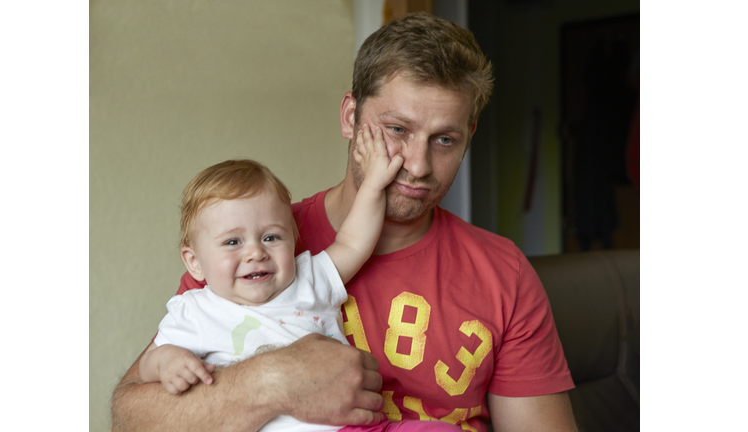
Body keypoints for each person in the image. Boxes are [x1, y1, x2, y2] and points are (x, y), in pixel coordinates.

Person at [112, 12, 578, 432]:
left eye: (444, 140)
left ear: (468, 137)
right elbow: (133, 419)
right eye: (397, 130)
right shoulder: (255, 249)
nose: (416, 165)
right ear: (351, 117)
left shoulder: (504, 273)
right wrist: (274, 380)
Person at [138, 131, 460, 432]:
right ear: (194, 262)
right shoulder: (194, 311)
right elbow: (148, 365)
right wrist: (166, 362)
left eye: (270, 237)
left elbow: (353, 243)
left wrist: (374, 186)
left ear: (294, 237)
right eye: (233, 242)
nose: (255, 252)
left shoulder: (308, 280)